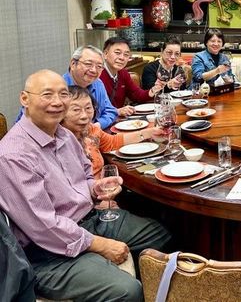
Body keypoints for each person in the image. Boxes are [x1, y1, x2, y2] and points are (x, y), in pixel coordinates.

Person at [0, 70, 171, 301]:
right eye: (47, 94)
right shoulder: (14, 155)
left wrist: (95, 188)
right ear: (24, 99)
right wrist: (99, 245)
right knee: (126, 290)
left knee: (160, 234)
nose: (57, 102)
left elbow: (84, 174)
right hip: (47, 252)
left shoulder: (64, 135)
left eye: (63, 94)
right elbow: (43, 226)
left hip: (89, 220)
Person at [61, 86, 164, 180]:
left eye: (88, 108)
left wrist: (149, 133)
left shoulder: (91, 129)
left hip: (105, 189)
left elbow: (113, 142)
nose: (84, 115)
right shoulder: (58, 143)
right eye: (76, 110)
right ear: (61, 113)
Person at [17, 45, 119, 129]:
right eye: (88, 64)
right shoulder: (56, 88)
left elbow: (110, 111)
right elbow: (25, 123)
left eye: (99, 67)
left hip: (91, 138)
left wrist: (97, 125)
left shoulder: (98, 83)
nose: (94, 70)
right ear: (73, 64)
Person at [99, 37, 165, 117]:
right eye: (117, 53)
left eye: (126, 54)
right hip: (101, 123)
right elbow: (94, 109)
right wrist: (117, 111)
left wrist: (154, 89)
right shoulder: (97, 75)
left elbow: (137, 95)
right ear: (105, 54)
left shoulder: (123, 73)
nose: (122, 58)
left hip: (118, 120)